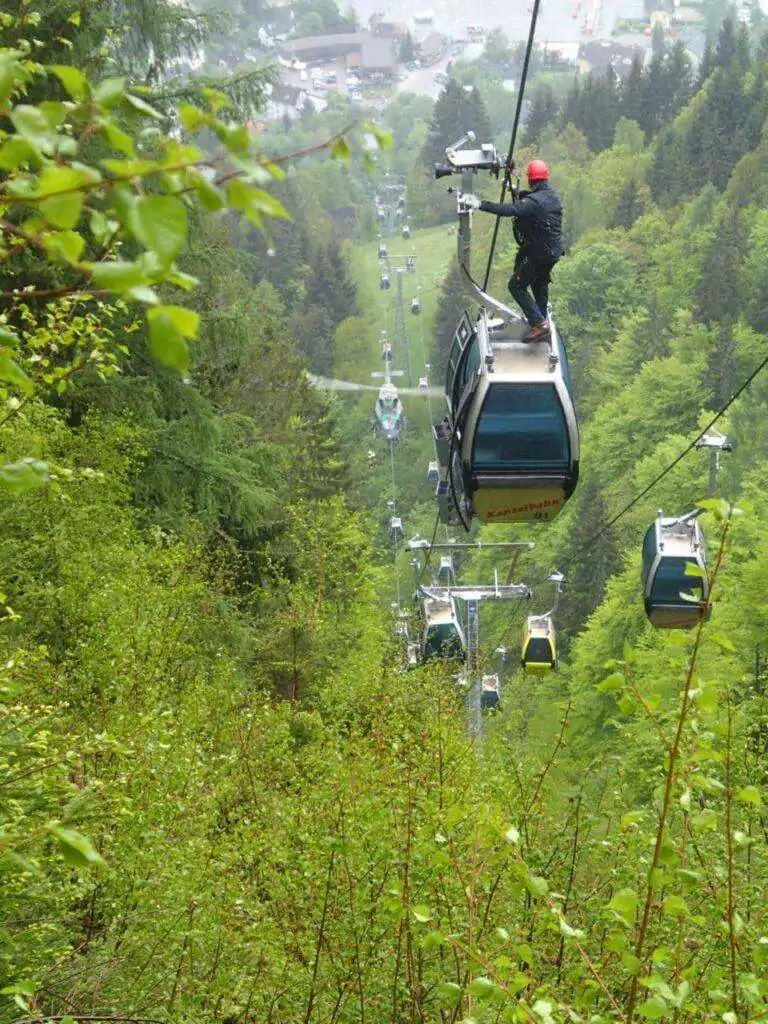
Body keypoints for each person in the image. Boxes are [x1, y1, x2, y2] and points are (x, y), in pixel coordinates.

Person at [460, 159, 564, 343]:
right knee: (539, 283)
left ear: (531, 180)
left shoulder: (534, 202)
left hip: (539, 254)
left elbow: (511, 209)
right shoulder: (552, 197)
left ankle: (539, 324)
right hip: (552, 253)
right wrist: (513, 188)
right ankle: (540, 320)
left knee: (516, 285)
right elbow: (528, 202)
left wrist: (480, 204)